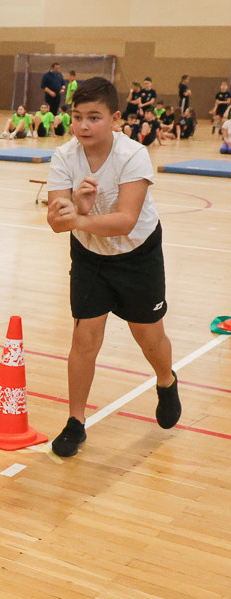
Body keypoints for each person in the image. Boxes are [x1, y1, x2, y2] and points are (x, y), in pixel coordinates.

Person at [45, 76, 181, 458]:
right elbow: (56, 222)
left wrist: (80, 219)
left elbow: (124, 220)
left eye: (94, 117)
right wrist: (77, 209)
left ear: (115, 118)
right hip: (90, 258)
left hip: (137, 254)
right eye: (77, 117)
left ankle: (166, 380)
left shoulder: (133, 154)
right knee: (84, 339)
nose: (84, 126)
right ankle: (75, 421)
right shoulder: (63, 157)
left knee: (149, 338)